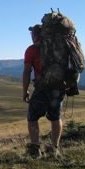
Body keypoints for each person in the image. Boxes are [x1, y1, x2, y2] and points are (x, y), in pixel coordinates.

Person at [22, 24, 65, 158]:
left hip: (42, 88)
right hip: (59, 87)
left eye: (32, 35)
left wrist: (25, 91)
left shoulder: (32, 49)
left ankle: (35, 149)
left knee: (32, 117)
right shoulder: (59, 47)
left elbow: (27, 71)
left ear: (35, 35)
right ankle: (54, 149)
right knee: (56, 117)